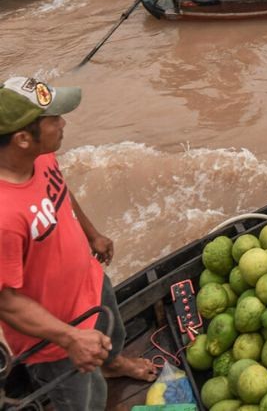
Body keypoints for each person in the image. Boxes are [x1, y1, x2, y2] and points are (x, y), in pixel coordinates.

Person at [0, 76, 157, 410]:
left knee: (112, 336)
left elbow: (60, 190)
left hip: (90, 286)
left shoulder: (40, 157)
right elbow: (6, 301)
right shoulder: (3, 215)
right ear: (23, 138)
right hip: (57, 336)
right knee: (84, 399)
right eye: (54, 119)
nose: (63, 123)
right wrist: (70, 338)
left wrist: (92, 234)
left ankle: (113, 365)